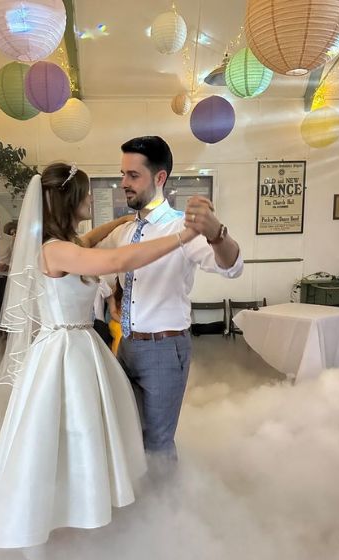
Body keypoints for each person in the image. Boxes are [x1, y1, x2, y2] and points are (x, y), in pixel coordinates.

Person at [0, 162, 208, 551]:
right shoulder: (56, 251)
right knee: (66, 434)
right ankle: (58, 516)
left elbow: (94, 241)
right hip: (65, 352)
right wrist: (184, 235)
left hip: (80, 347)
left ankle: (89, 505)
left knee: (86, 433)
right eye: (86, 192)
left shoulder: (68, 245)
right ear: (70, 199)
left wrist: (125, 223)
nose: (92, 197)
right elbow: (118, 262)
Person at [96, 136, 243, 460]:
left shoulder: (182, 228)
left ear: (159, 178)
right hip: (128, 346)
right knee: (129, 433)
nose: (124, 183)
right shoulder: (123, 232)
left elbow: (232, 267)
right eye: (123, 174)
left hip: (164, 348)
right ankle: (142, 502)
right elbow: (99, 276)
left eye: (133, 175)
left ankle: (166, 509)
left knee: (159, 443)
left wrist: (217, 232)